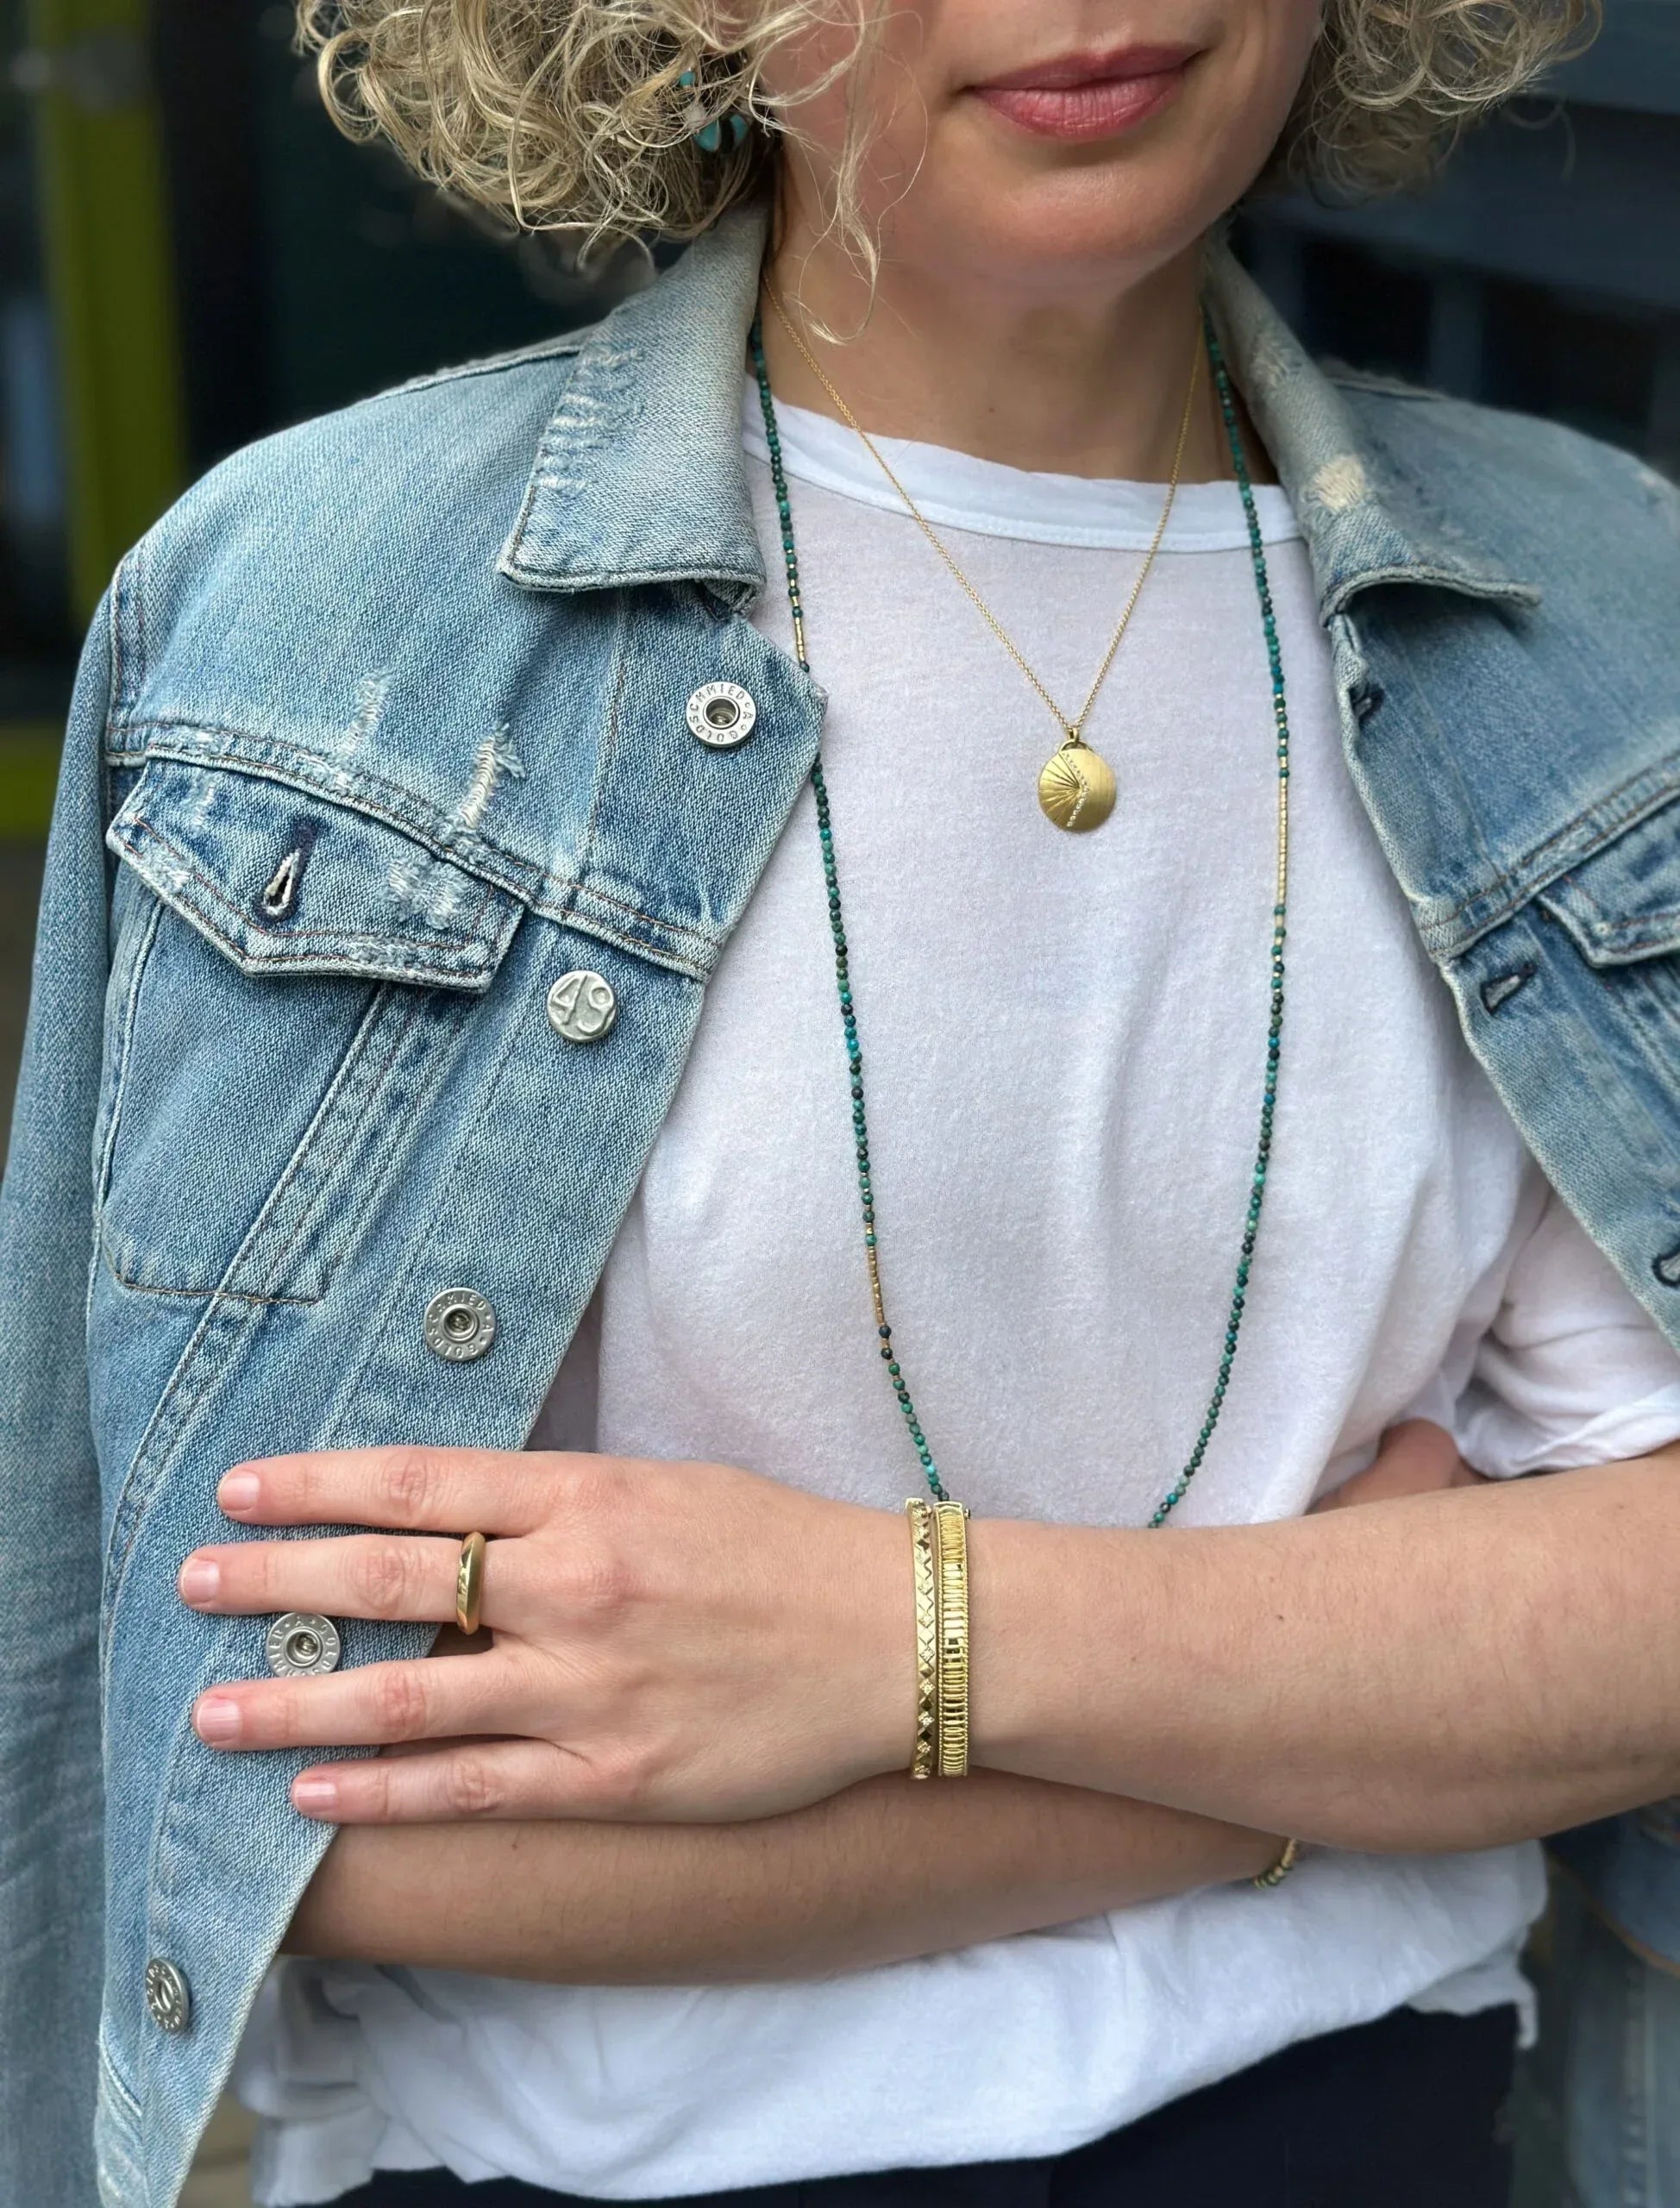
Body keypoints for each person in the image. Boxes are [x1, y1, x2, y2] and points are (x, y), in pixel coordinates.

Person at [3, 2, 1680, 2204]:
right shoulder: (329, 626)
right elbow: (274, 1817)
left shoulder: (1599, 610)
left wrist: (883, 1640)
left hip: (1368, 2133)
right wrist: (1334, 1731)